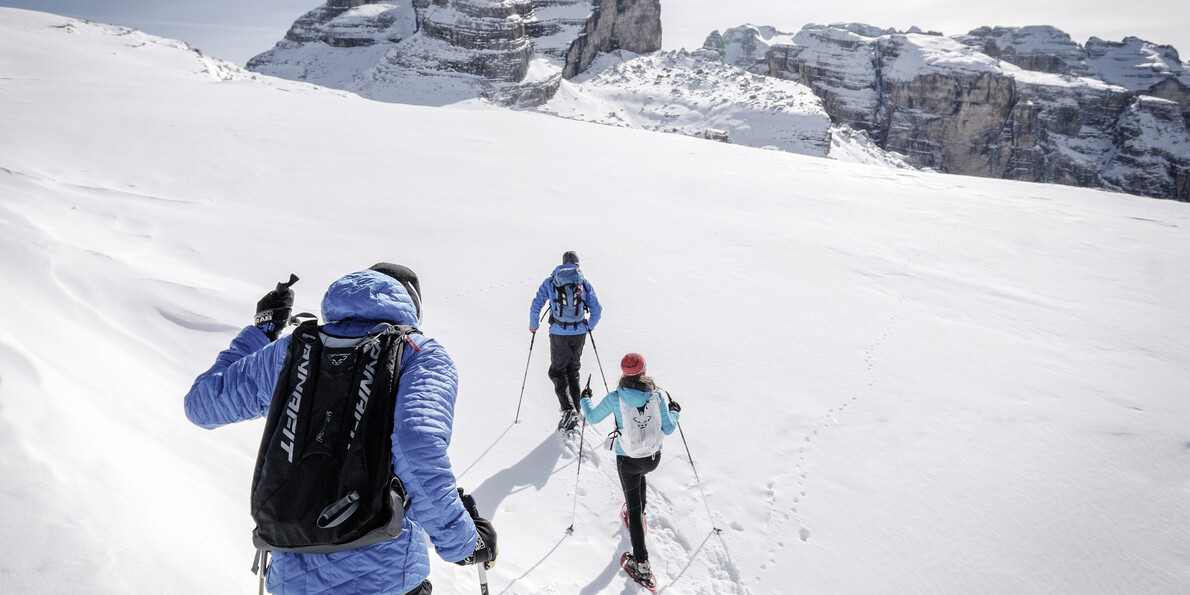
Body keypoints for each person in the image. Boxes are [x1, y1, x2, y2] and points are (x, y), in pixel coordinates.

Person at [184, 264, 496, 595]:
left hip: (291, 575)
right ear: (411, 305)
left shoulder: (291, 349)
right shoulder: (417, 353)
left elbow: (202, 406)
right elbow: (415, 447)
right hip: (383, 577)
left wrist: (260, 332)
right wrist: (465, 542)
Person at [579, 352, 680, 590]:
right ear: (644, 372)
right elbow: (669, 427)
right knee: (639, 480)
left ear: (624, 373)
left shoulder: (616, 398)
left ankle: (642, 563)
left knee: (632, 506)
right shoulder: (656, 397)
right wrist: (674, 410)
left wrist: (585, 398)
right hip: (653, 458)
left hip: (628, 460)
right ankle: (641, 511)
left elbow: (592, 417)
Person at [529, 251, 602, 431]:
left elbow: (536, 304)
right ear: (577, 264)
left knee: (557, 372)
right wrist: (588, 327)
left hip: (558, 333)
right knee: (573, 370)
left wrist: (533, 326)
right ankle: (576, 408)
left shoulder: (551, 281)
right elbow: (597, 309)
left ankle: (569, 409)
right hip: (579, 333)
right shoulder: (582, 283)